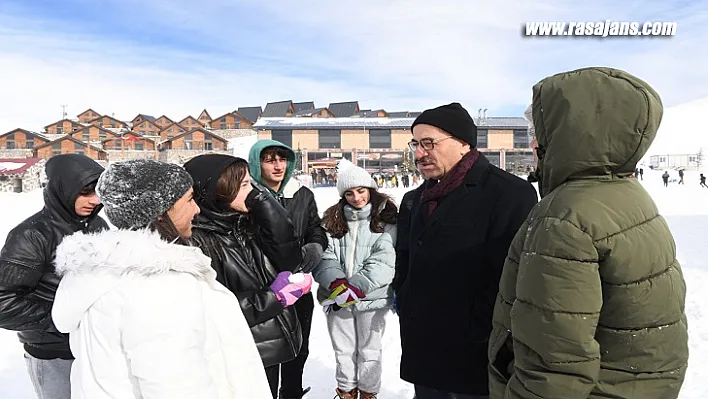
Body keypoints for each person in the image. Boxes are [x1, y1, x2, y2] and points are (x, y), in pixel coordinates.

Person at [488, 67, 688, 398]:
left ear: (569, 133)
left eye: (538, 132)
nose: (534, 143)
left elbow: (554, 363)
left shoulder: (566, 217)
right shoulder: (627, 195)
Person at [50, 158, 272, 398]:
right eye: (188, 199)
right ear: (159, 212)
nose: (197, 209)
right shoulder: (159, 284)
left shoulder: (104, 271)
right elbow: (177, 386)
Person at [393, 102, 538, 398]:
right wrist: (405, 297)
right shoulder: (413, 199)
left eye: (429, 143)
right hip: (425, 352)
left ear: (463, 143)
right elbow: (405, 260)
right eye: (415, 144)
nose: (419, 154)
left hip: (474, 357)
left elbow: (511, 277)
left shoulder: (509, 194)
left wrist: (478, 326)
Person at [184, 154, 311, 399]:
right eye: (243, 185)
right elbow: (212, 309)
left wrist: (265, 204)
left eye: (251, 183)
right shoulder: (198, 238)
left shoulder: (243, 223)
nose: (252, 192)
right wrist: (273, 298)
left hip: (269, 346)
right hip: (237, 353)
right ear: (217, 190)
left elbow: (288, 259)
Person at [0, 154, 107, 399]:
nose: (94, 200)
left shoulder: (97, 225)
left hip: (91, 348)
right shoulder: (32, 234)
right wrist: (60, 322)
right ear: (62, 189)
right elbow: (3, 303)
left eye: (98, 192)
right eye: (85, 192)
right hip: (54, 353)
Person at [248, 140, 328, 399]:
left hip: (298, 285)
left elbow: (315, 226)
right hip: (264, 288)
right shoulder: (248, 196)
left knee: (298, 348)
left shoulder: (302, 195)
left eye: (282, 159)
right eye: (270, 159)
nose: (278, 165)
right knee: (268, 353)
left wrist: (315, 244)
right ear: (256, 163)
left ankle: (292, 393)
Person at [313, 160, 397, 399]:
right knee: (343, 349)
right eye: (349, 193)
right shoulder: (331, 221)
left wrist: (356, 287)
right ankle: (347, 391)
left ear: (370, 189)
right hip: (337, 297)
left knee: (369, 350)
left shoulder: (386, 222)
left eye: (361, 191)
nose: (356, 197)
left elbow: (384, 260)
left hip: (372, 298)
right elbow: (324, 256)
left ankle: (369, 393)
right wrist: (338, 284)